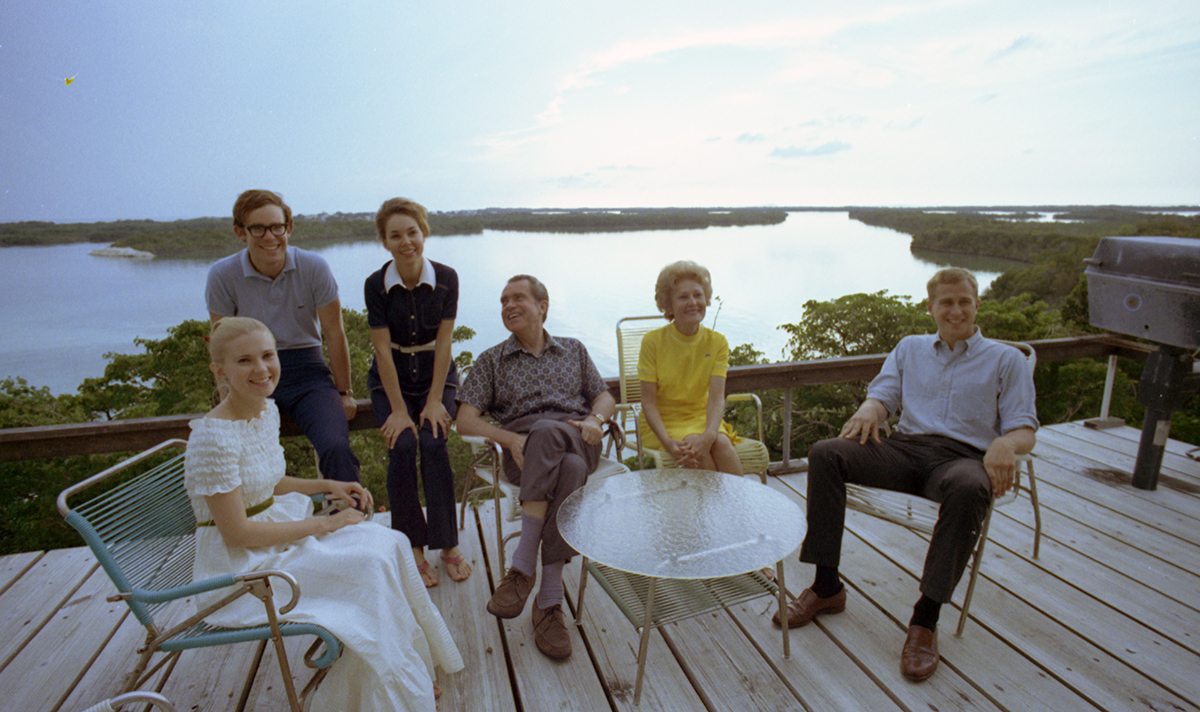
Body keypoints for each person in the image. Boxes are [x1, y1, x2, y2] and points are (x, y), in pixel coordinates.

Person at [184, 317, 463, 711]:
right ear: (220, 370)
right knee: (366, 568)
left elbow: (268, 482)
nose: (262, 369)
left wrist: (326, 485)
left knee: (392, 542)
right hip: (243, 570)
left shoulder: (264, 411)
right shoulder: (212, 439)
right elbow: (237, 534)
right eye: (245, 361)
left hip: (274, 535)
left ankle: (403, 665)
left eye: (267, 356)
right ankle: (390, 680)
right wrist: (327, 523)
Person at [774, 268, 1038, 681]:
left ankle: (925, 619)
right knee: (826, 453)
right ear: (930, 307)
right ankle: (827, 586)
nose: (955, 310)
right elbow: (884, 396)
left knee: (971, 487)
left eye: (963, 301)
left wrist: (1005, 444)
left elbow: (1024, 427)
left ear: (976, 305)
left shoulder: (1006, 360)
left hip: (962, 459)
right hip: (904, 449)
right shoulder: (910, 348)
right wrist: (870, 409)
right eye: (946, 302)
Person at [456, 275, 616, 661]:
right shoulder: (492, 360)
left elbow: (605, 396)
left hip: (578, 435)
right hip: (524, 456)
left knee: (556, 437)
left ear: (542, 307)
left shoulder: (573, 350)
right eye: (503, 300)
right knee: (571, 470)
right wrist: (509, 439)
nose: (508, 305)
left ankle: (522, 566)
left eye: (518, 298)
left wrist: (595, 420)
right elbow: (464, 421)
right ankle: (549, 600)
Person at [206, 189, 360, 483]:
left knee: (335, 446)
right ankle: (254, 525)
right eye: (258, 228)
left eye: (277, 227)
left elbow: (334, 333)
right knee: (242, 453)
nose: (269, 236)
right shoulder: (223, 275)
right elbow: (222, 345)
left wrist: (344, 392)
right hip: (252, 373)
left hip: (308, 373)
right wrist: (227, 397)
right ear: (241, 232)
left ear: (288, 228)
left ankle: (349, 521)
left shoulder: (313, 267)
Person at [365, 197, 470, 588]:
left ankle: (447, 544)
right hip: (390, 380)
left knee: (434, 441)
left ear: (424, 233)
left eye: (412, 232)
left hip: (435, 378)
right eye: (396, 235)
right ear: (385, 242)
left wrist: (431, 400)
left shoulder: (446, 278)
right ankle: (413, 547)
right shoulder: (376, 285)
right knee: (404, 445)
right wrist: (397, 409)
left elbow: (444, 344)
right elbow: (381, 349)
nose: (406, 241)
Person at [638, 260, 742, 474]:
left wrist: (710, 435)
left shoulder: (717, 342)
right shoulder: (652, 342)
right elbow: (648, 403)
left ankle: (737, 505)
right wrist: (668, 442)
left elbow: (716, 398)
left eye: (698, 295)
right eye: (683, 297)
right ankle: (722, 507)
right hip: (663, 423)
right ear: (669, 305)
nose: (693, 302)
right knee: (695, 447)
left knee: (722, 444)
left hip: (701, 416)